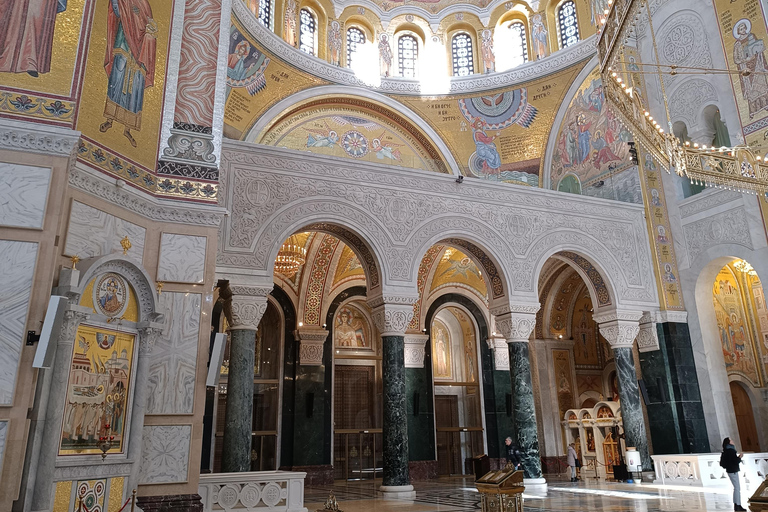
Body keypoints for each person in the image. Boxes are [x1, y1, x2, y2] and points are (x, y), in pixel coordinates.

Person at [720, 437, 746, 511]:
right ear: (729, 442)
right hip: (733, 471)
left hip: (729, 470)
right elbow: (735, 461)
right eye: (731, 440)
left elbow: (724, 463)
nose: (733, 441)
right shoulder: (731, 451)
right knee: (737, 488)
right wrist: (740, 457)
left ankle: (737, 504)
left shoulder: (725, 451)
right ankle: (738, 505)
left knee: (736, 488)